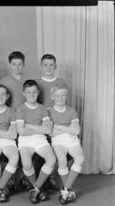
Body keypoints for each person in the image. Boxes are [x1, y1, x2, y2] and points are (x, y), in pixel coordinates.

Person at [16, 80, 56, 204]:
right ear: (24, 93)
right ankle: (38, 189)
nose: (32, 95)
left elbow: (47, 129)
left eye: (34, 92)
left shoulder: (43, 108)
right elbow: (21, 132)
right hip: (25, 141)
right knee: (27, 163)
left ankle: (35, 189)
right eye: (29, 92)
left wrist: (28, 125)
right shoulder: (21, 109)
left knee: (52, 160)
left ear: (38, 93)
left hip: (40, 140)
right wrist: (39, 129)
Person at [35, 54, 66, 190]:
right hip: (42, 118)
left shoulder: (60, 81)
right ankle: (40, 177)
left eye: (51, 65)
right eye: (45, 65)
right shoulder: (37, 82)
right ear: (41, 66)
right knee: (43, 146)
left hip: (56, 118)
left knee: (55, 146)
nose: (48, 68)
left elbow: (62, 101)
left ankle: (51, 176)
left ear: (55, 66)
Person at [48, 86, 84, 205]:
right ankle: (68, 190)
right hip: (58, 140)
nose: (60, 98)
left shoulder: (71, 110)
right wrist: (68, 128)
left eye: (63, 95)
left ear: (66, 97)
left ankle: (65, 190)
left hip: (72, 139)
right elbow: (51, 132)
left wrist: (59, 127)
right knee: (62, 159)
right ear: (53, 97)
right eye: (57, 95)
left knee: (80, 158)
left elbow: (77, 131)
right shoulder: (49, 111)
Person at [0, 51, 29, 191]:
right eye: (14, 64)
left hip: (25, 118)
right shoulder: (4, 81)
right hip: (9, 118)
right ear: (10, 64)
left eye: (19, 64)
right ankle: (11, 177)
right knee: (10, 147)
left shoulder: (29, 80)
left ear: (23, 64)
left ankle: (23, 176)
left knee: (23, 147)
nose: (17, 67)